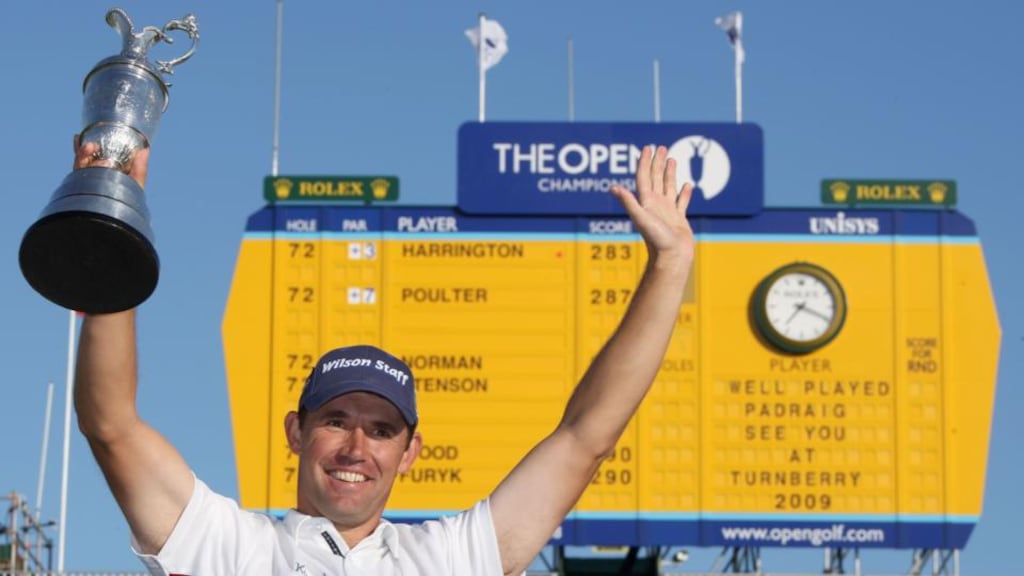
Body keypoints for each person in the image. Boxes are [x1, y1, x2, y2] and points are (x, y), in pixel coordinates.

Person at [74, 141, 694, 575]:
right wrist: (112, 211)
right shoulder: (227, 547)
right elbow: (110, 425)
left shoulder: (449, 560)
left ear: (410, 451)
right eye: (336, 420)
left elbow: (585, 438)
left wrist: (670, 266)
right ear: (296, 432)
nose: (356, 448)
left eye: (381, 430)